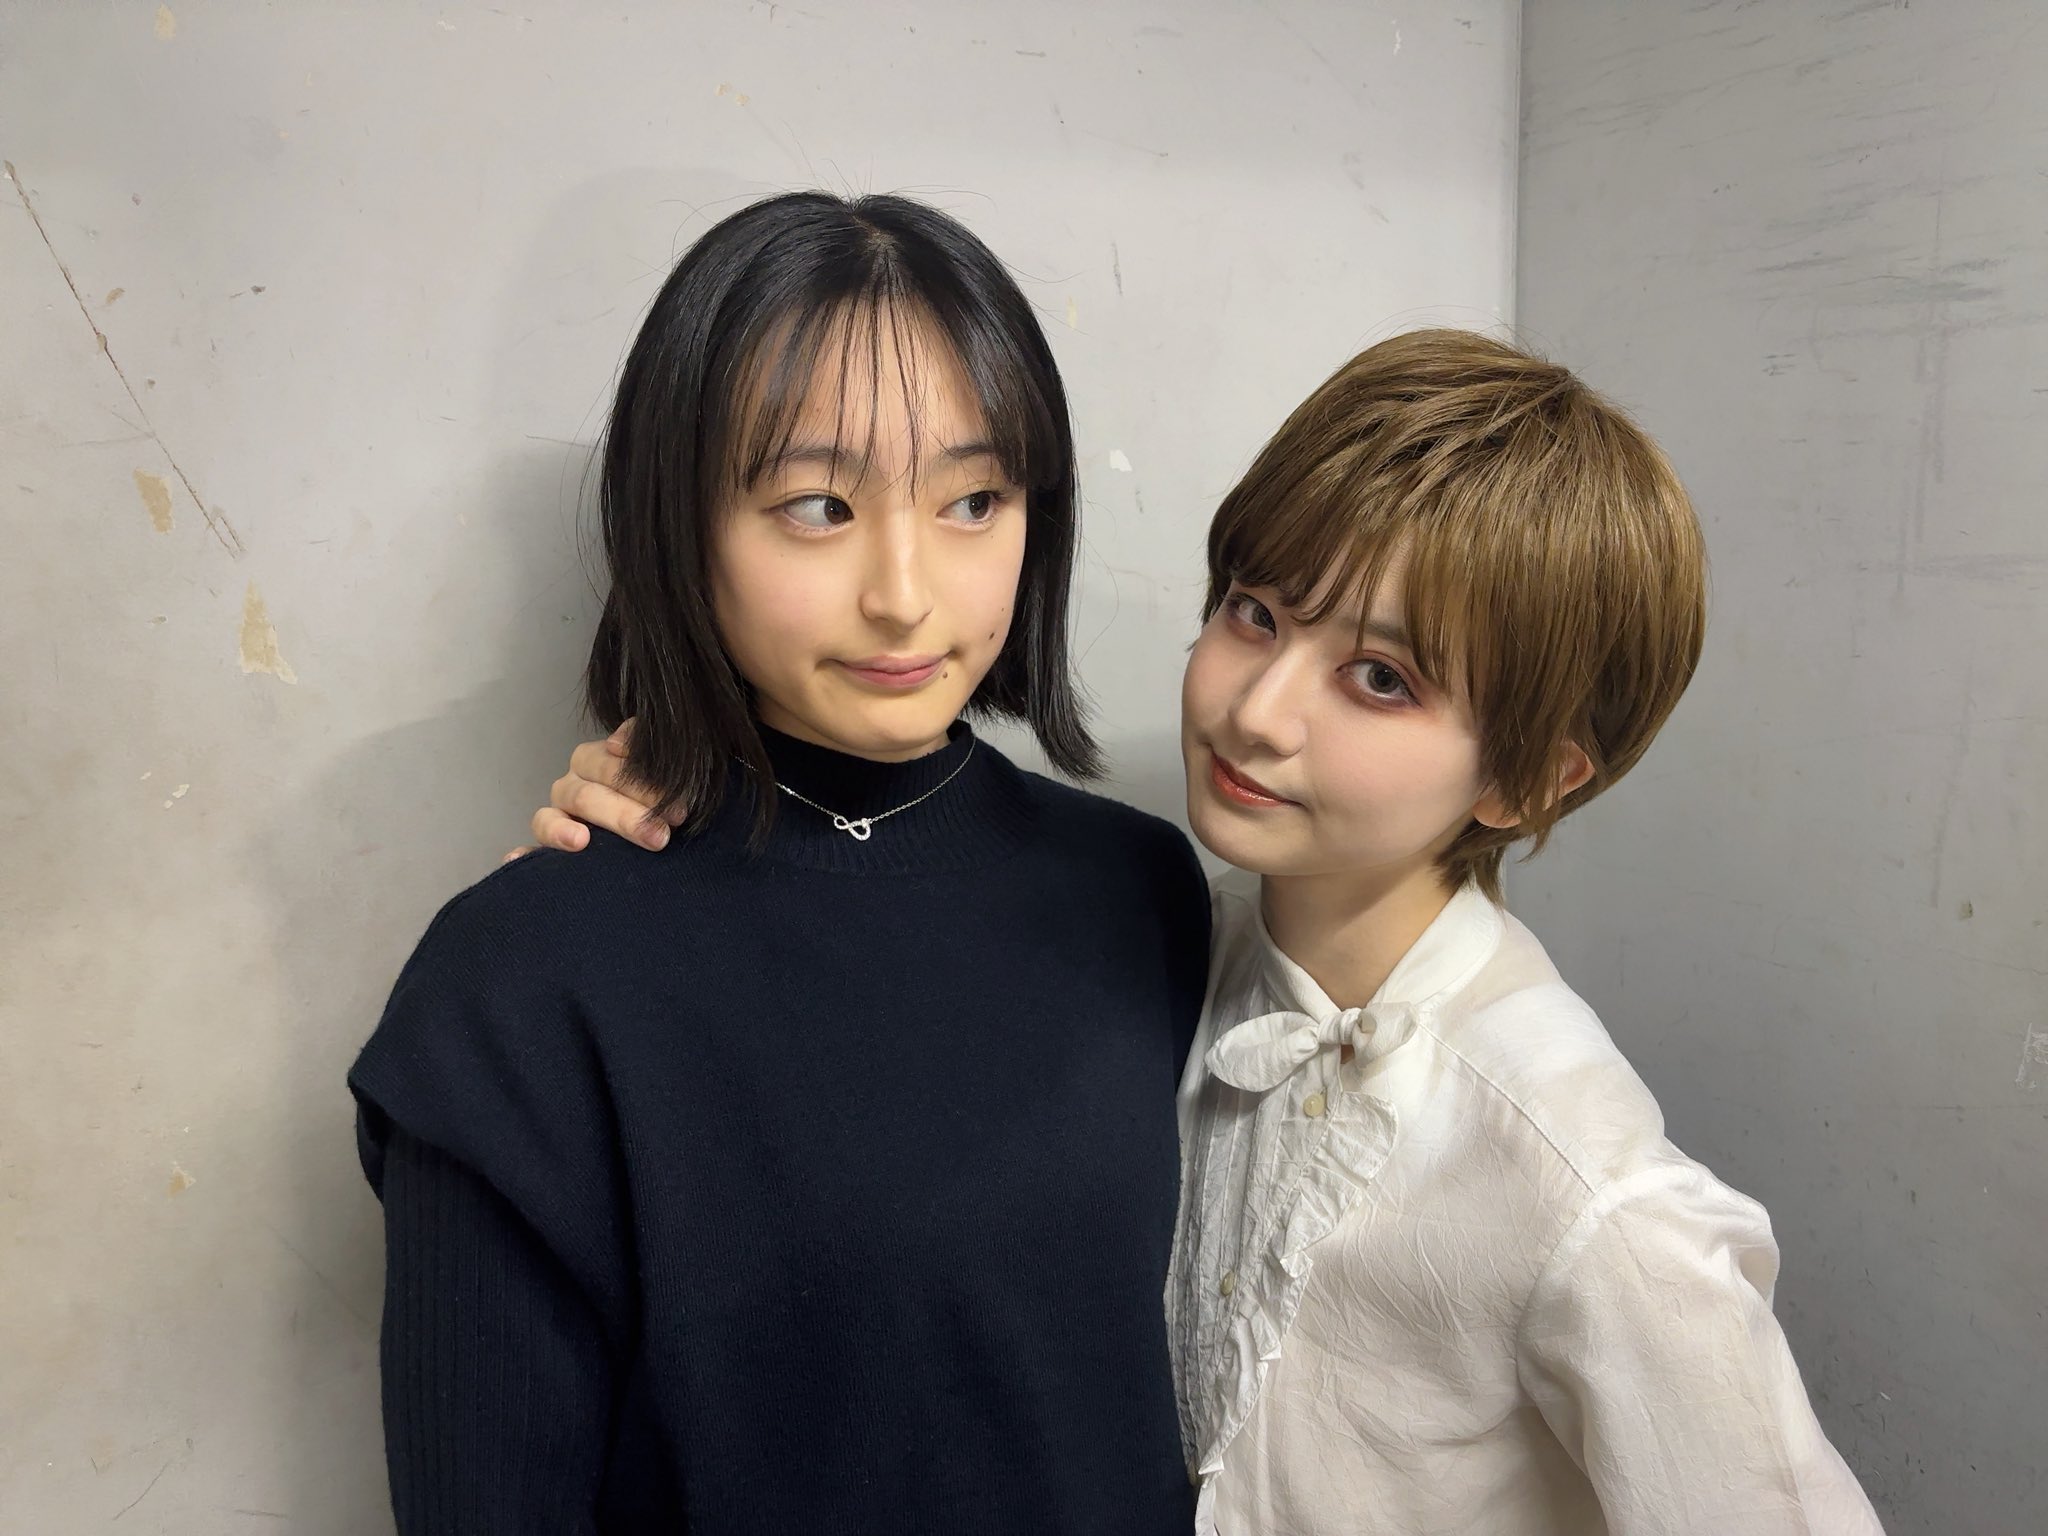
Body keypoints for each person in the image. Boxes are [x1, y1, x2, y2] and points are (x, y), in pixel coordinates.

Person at [532, 329, 1885, 1533]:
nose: (1257, 710)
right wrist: (655, 843)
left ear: (1531, 779)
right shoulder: (1149, 937)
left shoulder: (1589, 1192)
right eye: (1256, 613)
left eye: (1380, 679)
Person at [348, 191, 1208, 1535]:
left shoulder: (1141, 893)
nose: (905, 593)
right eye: (818, 506)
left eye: (974, 499)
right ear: (677, 523)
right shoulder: (519, 985)